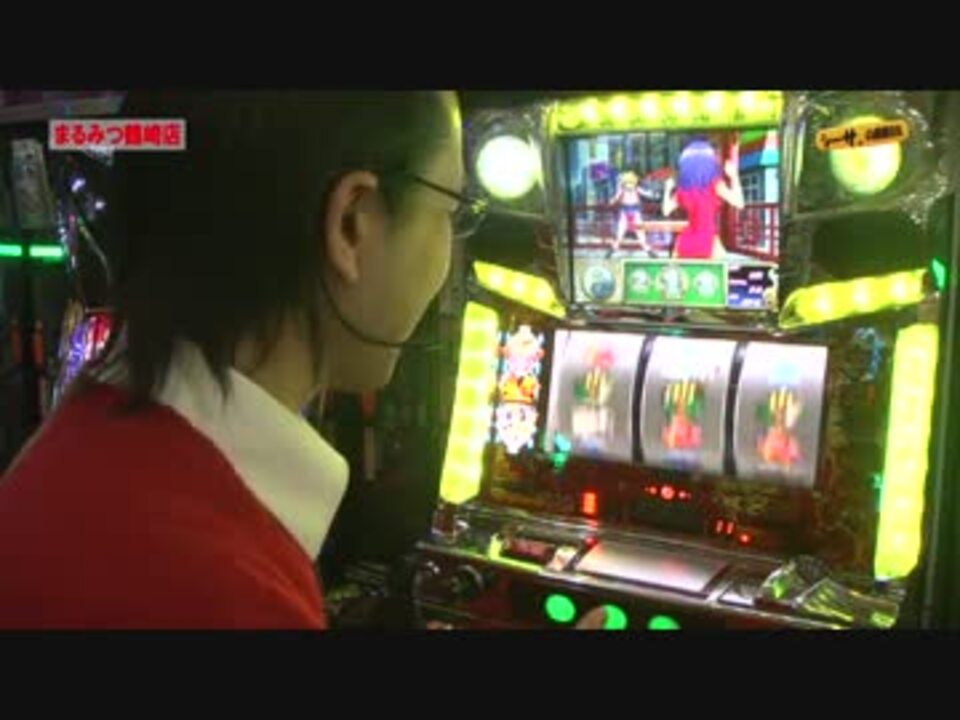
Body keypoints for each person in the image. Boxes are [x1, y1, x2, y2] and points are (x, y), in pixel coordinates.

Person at [0, 91, 607, 631]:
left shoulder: (72, 455)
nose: (450, 249)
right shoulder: (224, 588)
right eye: (451, 212)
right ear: (351, 223)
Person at [662, 139, 744, 260]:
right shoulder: (715, 185)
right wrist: (734, 177)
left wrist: (667, 189)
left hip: (686, 241)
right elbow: (739, 203)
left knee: (681, 270)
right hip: (708, 240)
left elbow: (666, 210)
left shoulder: (683, 191)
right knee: (722, 268)